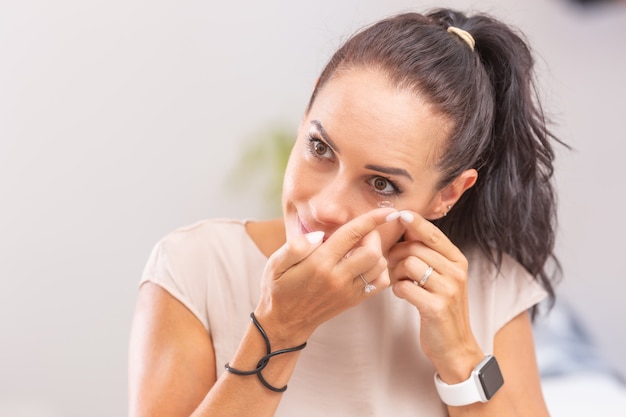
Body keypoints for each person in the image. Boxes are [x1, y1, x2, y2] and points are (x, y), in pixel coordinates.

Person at [128, 8, 564, 417]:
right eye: (320, 148)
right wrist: (279, 331)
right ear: (307, 111)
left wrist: (461, 356)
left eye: (381, 184)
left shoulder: (485, 283)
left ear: (447, 195)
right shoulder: (193, 269)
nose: (326, 206)